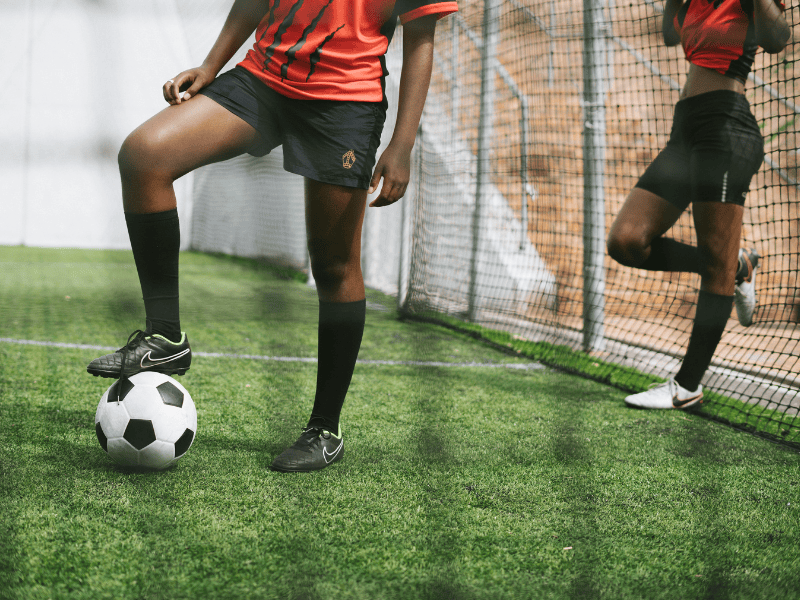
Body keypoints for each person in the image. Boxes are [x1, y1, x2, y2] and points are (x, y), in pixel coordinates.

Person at [86, 0, 458, 470]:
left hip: (343, 103)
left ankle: (325, 428)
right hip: (261, 81)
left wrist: (402, 145)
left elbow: (422, 40)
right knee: (144, 157)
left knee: (334, 265)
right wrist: (211, 65)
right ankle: (165, 338)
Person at [607, 0, 790, 410]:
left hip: (725, 128)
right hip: (684, 129)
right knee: (626, 241)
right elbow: (671, 35)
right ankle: (736, 265)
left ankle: (686, 386)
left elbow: (778, 39)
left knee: (714, 264)